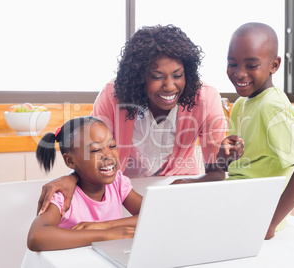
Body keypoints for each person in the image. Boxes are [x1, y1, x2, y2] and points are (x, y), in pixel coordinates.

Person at [37, 24, 244, 216]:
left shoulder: (205, 98)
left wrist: (191, 179)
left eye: (177, 75)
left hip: (179, 191)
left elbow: (216, 174)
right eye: (157, 76)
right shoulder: (112, 96)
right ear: (139, 76)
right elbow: (96, 152)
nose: (170, 86)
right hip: (123, 192)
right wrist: (72, 178)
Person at [218, 22, 294, 240]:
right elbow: (237, 168)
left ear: (274, 65)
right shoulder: (240, 105)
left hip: (256, 212)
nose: (239, 73)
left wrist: (270, 222)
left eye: (251, 65)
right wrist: (224, 157)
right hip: (235, 198)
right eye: (232, 64)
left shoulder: (271, 106)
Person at [27, 116, 142, 251]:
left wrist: (105, 226)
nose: (109, 155)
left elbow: (154, 214)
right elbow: (37, 237)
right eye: (96, 150)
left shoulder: (117, 183)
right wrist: (106, 235)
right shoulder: (63, 195)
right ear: (70, 161)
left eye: (112, 146)